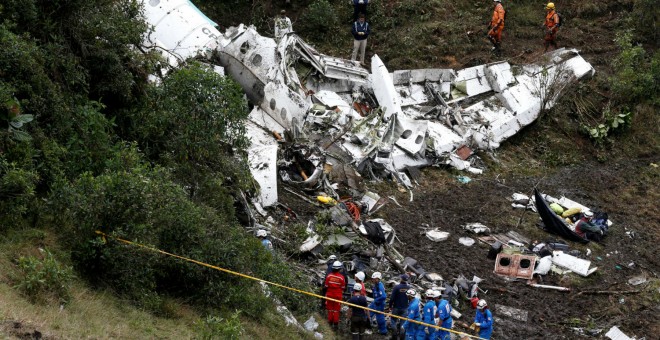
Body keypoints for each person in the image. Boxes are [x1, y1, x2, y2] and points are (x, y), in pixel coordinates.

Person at [325, 261, 347, 329]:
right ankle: (335, 324)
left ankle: (330, 323)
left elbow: (326, 286)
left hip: (329, 294)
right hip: (338, 295)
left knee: (330, 309)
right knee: (336, 310)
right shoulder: (341, 278)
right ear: (339, 269)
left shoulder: (329, 276)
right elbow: (343, 287)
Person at [388, 274, 411, 338]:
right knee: (403, 324)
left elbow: (392, 298)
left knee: (393, 321)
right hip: (405, 308)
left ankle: (394, 335)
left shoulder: (397, 287)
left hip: (396, 307)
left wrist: (390, 306)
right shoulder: (409, 287)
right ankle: (402, 337)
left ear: (401, 279)